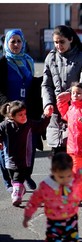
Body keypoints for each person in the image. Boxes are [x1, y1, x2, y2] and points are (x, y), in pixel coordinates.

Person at [0, 29, 43, 192]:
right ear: (7, 44)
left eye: (19, 41)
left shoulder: (28, 61)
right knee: (7, 148)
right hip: (8, 112)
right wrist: (6, 107)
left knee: (29, 146)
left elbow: (31, 84)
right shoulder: (2, 64)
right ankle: (9, 180)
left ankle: (25, 176)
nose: (16, 45)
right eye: (13, 41)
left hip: (27, 111)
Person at [42, 25, 82, 156]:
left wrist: (70, 94)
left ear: (70, 39)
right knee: (57, 159)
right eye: (56, 42)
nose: (59, 45)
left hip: (76, 112)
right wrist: (47, 104)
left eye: (62, 42)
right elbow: (46, 85)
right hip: (55, 114)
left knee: (74, 158)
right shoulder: (51, 58)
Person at [0, 100, 52, 206]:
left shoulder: (29, 123)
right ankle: (20, 189)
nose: (24, 117)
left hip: (25, 158)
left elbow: (40, 126)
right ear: (12, 116)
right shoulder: (5, 125)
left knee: (18, 178)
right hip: (10, 159)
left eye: (25, 114)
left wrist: (46, 116)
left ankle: (16, 196)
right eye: (20, 115)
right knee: (13, 179)